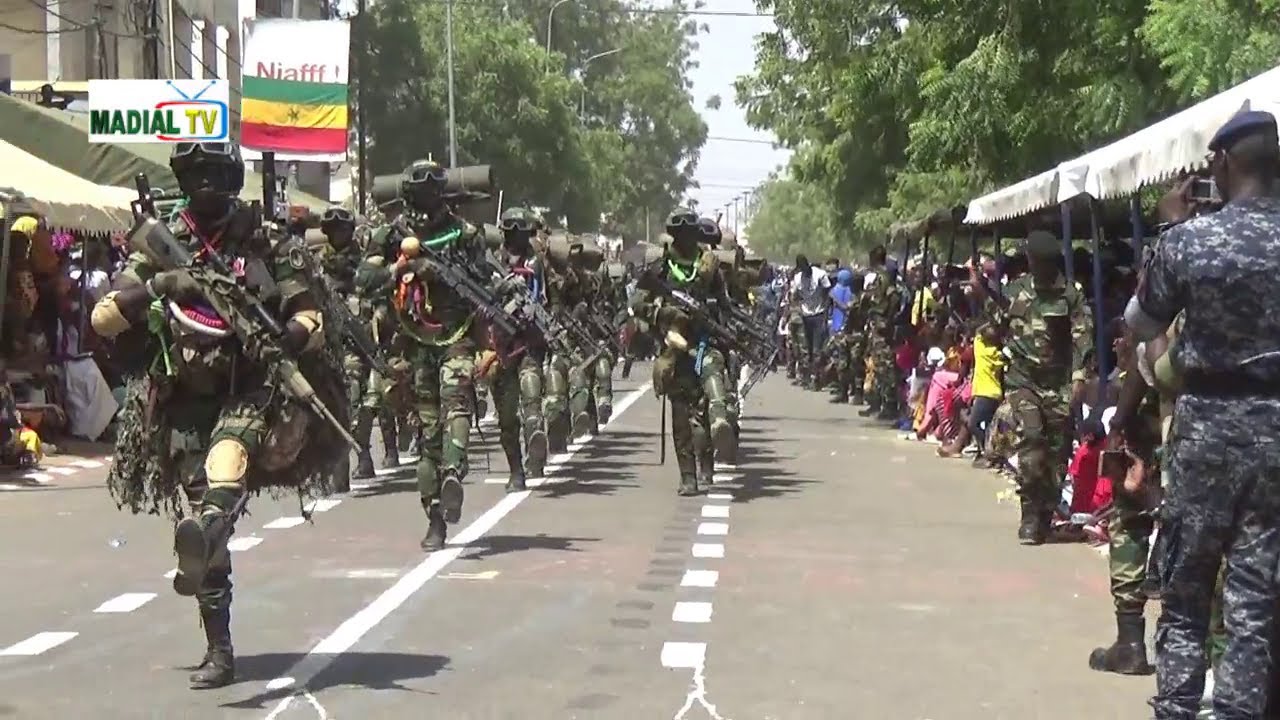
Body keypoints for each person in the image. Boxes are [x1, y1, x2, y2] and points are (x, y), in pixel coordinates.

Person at [91, 142, 345, 688]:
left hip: (249, 386)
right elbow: (105, 317)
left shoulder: (264, 239)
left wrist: (284, 335)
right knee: (206, 532)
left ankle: (205, 534)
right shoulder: (162, 243)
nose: (208, 184)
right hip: (182, 396)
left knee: (225, 468)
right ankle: (219, 648)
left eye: (217, 173)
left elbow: (309, 315)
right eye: (197, 173)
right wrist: (162, 284)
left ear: (233, 178)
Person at [1124, 110, 1280, 719]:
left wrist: (1171, 229)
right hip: (1274, 433)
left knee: (1186, 595)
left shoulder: (1190, 241)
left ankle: (1178, 710)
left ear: (1221, 162)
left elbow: (1141, 325)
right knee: (1252, 599)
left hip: (1208, 429)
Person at [370, 160, 483, 550]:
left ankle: (455, 471)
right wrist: (400, 270)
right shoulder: (390, 235)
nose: (428, 202)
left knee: (457, 405)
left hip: (457, 337)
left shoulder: (464, 234)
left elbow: (483, 281)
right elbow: (363, 279)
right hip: (414, 343)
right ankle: (435, 516)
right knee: (426, 434)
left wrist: (438, 272)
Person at [973, 232, 1092, 544]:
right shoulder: (1015, 292)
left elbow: (1082, 337)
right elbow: (995, 326)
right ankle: (1028, 515)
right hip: (1023, 382)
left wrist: (1079, 375)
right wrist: (985, 307)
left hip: (1059, 385)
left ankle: (1044, 515)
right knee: (1032, 440)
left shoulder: (1069, 296)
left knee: (1057, 453)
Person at [632, 207, 734, 495]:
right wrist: (664, 313)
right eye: (681, 234)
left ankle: (709, 459)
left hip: (704, 343)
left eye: (690, 233)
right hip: (674, 347)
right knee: (681, 418)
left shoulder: (708, 265)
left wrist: (713, 315)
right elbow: (637, 303)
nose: (686, 239)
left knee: (708, 399)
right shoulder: (660, 267)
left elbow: (723, 304)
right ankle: (687, 476)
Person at [488, 207, 549, 490]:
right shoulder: (490, 262)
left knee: (531, 390)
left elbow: (542, 298)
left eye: (520, 232)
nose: (516, 237)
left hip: (528, 340)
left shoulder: (536, 263)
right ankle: (516, 470)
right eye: (511, 232)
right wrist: (500, 289)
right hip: (499, 344)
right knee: (507, 414)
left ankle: (535, 444)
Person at [787, 254, 830, 388]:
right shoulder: (798, 278)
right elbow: (794, 296)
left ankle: (816, 378)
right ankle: (807, 376)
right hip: (805, 316)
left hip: (818, 315)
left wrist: (825, 314)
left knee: (817, 349)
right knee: (807, 349)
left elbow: (827, 293)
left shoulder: (820, 275)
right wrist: (797, 308)